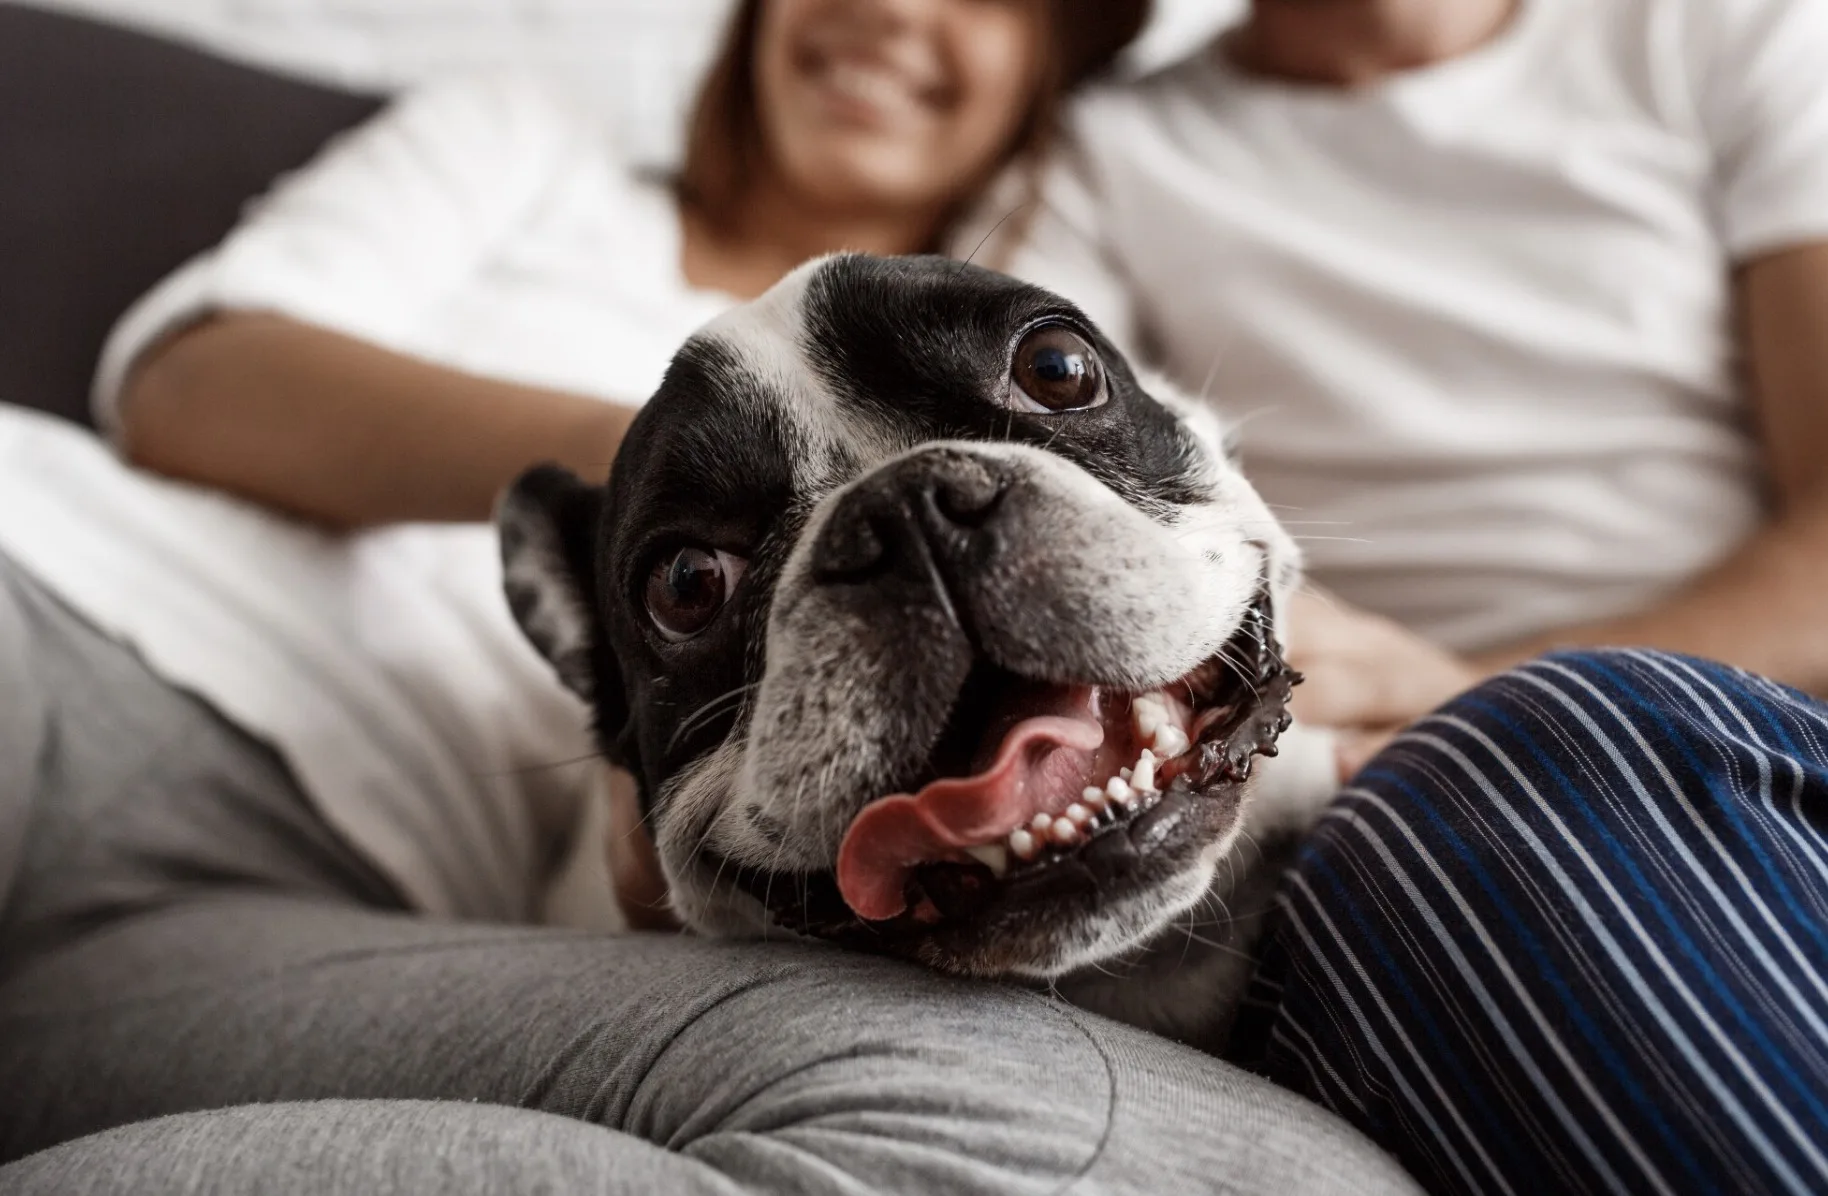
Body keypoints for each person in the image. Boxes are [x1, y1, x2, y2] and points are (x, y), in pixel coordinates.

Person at [0, 3, 1425, 1191]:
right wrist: (665, 457)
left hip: (281, 906)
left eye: (1048, 385)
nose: (891, 11)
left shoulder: (1080, 265)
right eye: (690, 584)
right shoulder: (529, 147)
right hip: (66, 602)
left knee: (1105, 1142)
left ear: (1044, 79)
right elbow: (191, 381)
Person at [1006, 0, 1828, 1192]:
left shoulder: (1720, 34)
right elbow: (1019, 473)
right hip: (1394, 807)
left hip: (1743, 737)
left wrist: (1482, 697)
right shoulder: (1104, 156)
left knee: (1524, 759)